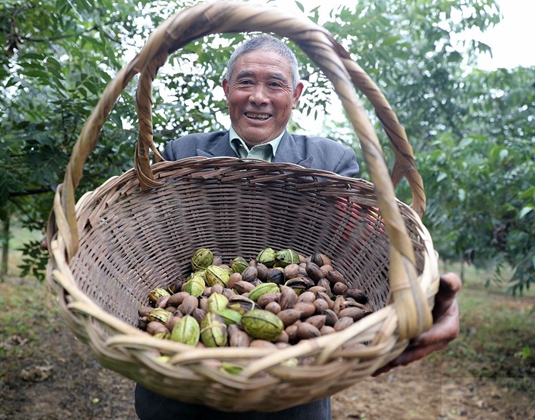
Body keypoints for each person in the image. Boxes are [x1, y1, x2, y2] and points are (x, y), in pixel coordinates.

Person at [134, 35, 462, 420]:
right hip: (180, 397)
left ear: (297, 94)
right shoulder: (181, 154)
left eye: (275, 83)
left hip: (290, 402)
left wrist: (420, 292)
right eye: (245, 82)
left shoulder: (330, 162)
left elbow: (368, 242)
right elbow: (146, 237)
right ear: (226, 90)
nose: (259, 96)